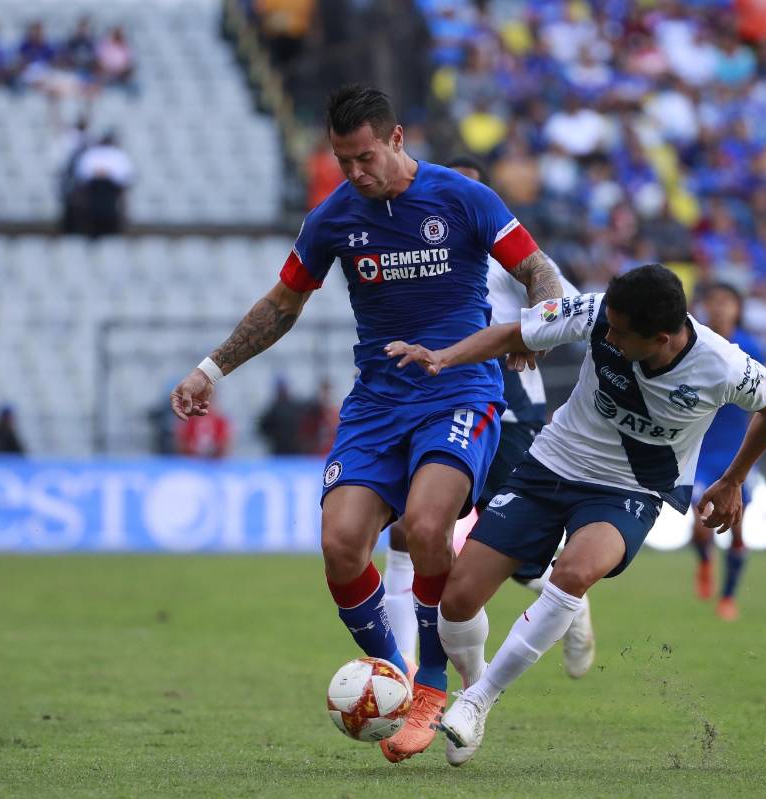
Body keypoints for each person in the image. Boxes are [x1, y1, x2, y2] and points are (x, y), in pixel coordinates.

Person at [169, 84, 563, 762]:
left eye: (364, 157)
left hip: (459, 390)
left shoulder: (462, 198)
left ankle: (433, 684)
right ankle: (397, 678)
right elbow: (283, 304)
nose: (354, 172)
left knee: (428, 525)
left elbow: (538, 269)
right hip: (377, 404)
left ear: (396, 139)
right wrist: (211, 368)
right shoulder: (333, 217)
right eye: (342, 160)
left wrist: (537, 324)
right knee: (341, 543)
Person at [384, 264, 766, 765]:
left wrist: (733, 479)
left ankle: (478, 700)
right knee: (457, 600)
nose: (608, 337)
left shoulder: (723, 365)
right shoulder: (598, 311)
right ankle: (475, 682)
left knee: (573, 573)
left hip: (630, 488)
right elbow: (513, 333)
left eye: (621, 334)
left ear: (660, 339)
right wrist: (442, 357)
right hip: (550, 465)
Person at [383, 155, 596, 680]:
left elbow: (569, 309)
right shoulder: (415, 251)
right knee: (406, 530)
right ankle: (401, 666)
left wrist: (530, 333)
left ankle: (566, 596)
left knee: (510, 547)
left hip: (508, 410)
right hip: (429, 402)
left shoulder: (511, 256)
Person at [690, 282, 766, 621]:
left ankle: (728, 597)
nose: (720, 307)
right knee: (700, 523)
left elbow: (765, 404)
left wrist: (755, 452)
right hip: (701, 452)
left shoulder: (751, 348)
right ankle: (705, 560)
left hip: (737, 453)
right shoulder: (694, 341)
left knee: (737, 527)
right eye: (713, 300)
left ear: (738, 309)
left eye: (727, 302)